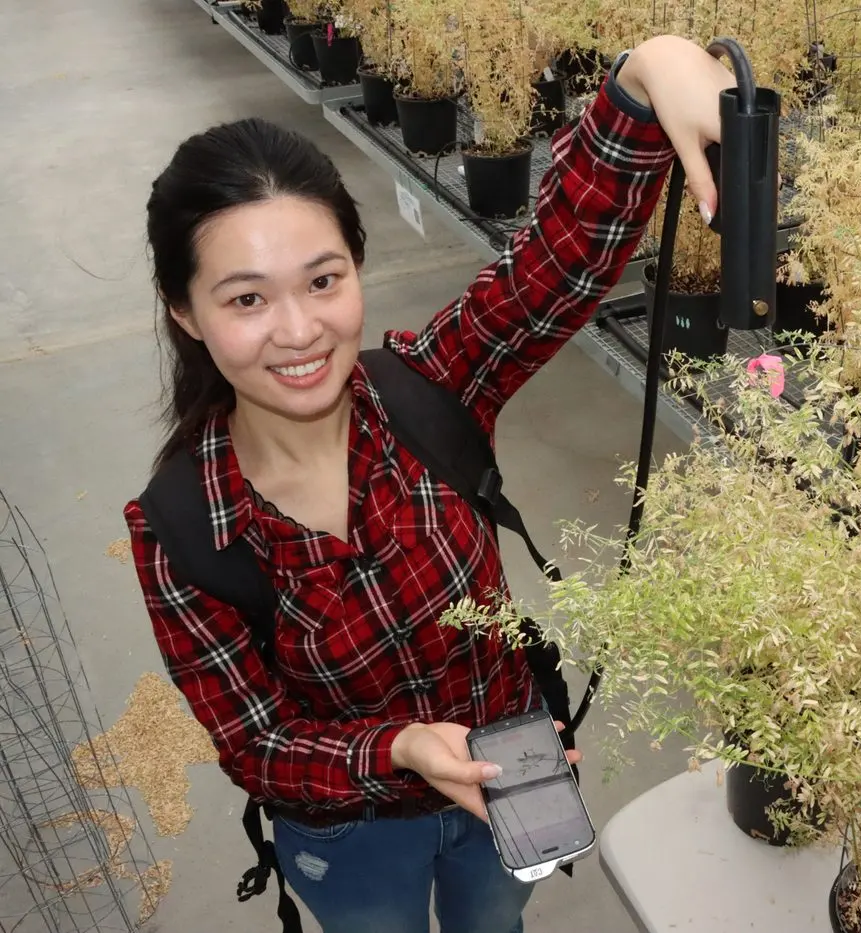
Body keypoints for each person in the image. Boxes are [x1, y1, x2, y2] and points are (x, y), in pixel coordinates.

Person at [123, 34, 735, 933]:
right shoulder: (183, 526)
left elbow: (555, 264)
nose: (297, 331)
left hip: (506, 780)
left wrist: (647, 75)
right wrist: (398, 748)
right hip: (355, 831)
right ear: (186, 312)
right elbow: (257, 741)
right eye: (246, 298)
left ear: (356, 271)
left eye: (322, 280)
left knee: (495, 921)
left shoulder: (426, 389)